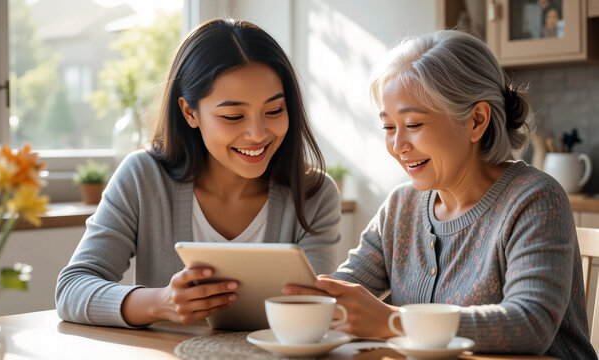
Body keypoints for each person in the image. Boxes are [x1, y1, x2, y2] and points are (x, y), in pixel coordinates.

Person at [284, 30, 596, 359]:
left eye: (414, 124)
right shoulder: (400, 207)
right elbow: (346, 284)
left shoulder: (535, 199)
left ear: (476, 120)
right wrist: (295, 293)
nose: (398, 146)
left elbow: (529, 324)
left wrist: (393, 321)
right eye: (389, 127)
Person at [56, 18, 341, 328]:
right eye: (233, 116)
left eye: (274, 111)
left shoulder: (314, 194)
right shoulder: (143, 178)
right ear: (190, 112)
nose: (258, 134)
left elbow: (317, 311)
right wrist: (159, 303)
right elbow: (72, 288)